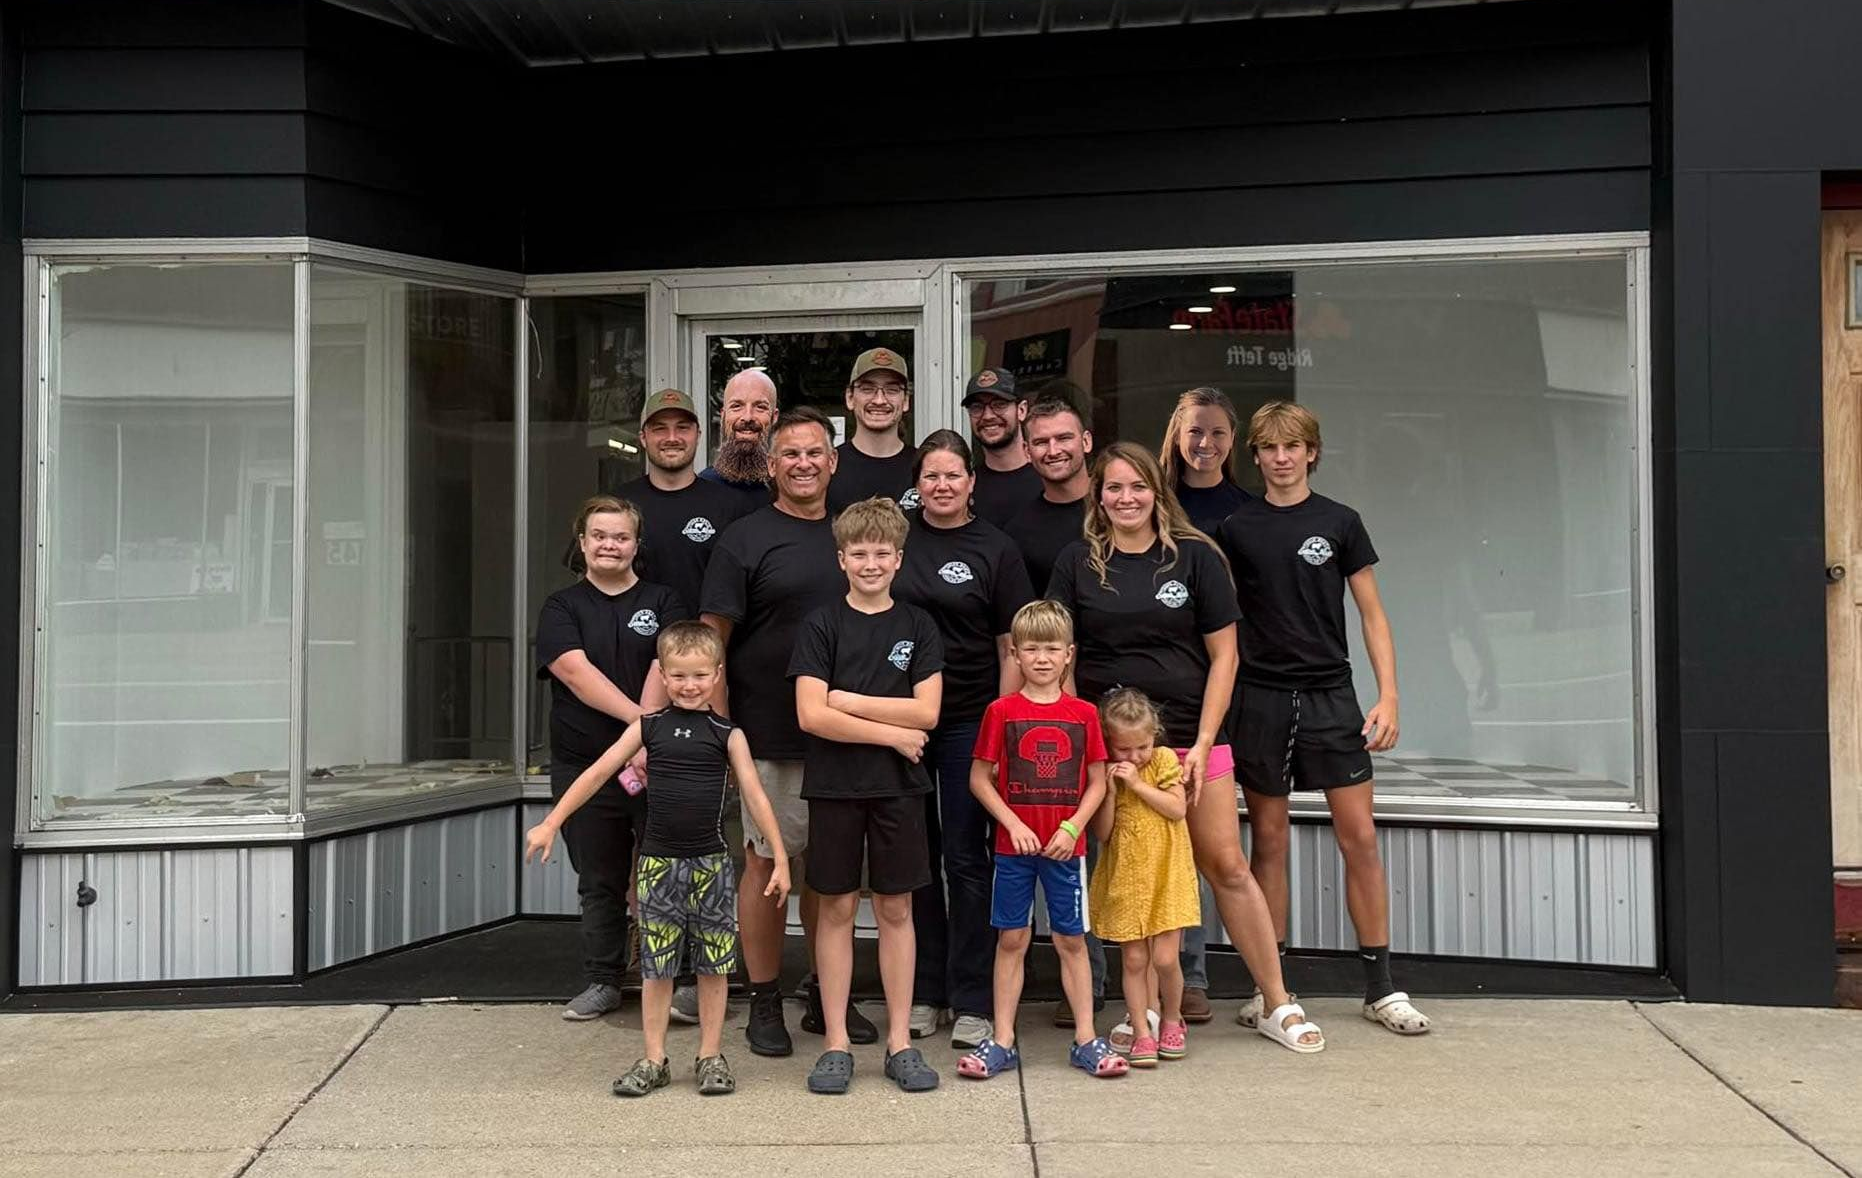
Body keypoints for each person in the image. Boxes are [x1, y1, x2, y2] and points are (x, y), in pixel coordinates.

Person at [1047, 441, 1323, 1053]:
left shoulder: (1196, 558)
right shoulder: (1077, 561)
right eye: (1114, 488)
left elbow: (1225, 656)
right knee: (1122, 872)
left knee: (1225, 864)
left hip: (1192, 744)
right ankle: (1138, 1015)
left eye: (1137, 487)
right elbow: (1063, 659)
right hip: (1112, 751)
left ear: (1157, 492)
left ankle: (1275, 1000)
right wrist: (1089, 748)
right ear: (1099, 495)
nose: (1126, 498)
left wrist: (1200, 744)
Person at [1217, 401, 1431, 1036]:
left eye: (1293, 447)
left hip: (1331, 696)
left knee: (1359, 839)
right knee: (1271, 843)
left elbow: (1372, 614)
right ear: (1253, 457)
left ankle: (1381, 987)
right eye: (1269, 448)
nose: (1281, 458)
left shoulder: (1340, 521)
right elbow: (1222, 624)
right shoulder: (1238, 527)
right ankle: (1270, 987)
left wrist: (1388, 696)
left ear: (1312, 452)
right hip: (1260, 696)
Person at [523, 621, 793, 1098]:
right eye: (679, 676)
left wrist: (781, 858)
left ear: (716, 675)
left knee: (713, 966)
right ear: (664, 677)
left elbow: (755, 795)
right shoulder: (646, 727)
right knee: (658, 966)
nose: (690, 686)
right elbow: (597, 773)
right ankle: (654, 1057)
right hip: (657, 866)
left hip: (710, 864)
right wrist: (550, 822)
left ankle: (710, 1054)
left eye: (699, 676)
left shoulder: (728, 734)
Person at [700, 405, 878, 1056]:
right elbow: (712, 643)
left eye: (815, 453)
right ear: (771, 466)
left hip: (849, 733)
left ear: (833, 461)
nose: (804, 464)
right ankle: (765, 997)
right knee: (768, 866)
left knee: (836, 876)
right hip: (769, 733)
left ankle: (825, 996)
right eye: (790, 455)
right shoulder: (745, 540)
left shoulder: (853, 532)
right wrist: (722, 735)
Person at [790, 497, 946, 1095]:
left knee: (896, 909)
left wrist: (846, 700)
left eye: (882, 552)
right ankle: (834, 1041)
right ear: (841, 559)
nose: (871, 562)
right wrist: (892, 733)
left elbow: (927, 710)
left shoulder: (916, 625)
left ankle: (900, 1041)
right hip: (834, 785)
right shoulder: (822, 624)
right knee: (832, 908)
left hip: (899, 790)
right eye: (859, 553)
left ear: (899, 559)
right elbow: (809, 713)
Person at [891, 430, 1035, 1049]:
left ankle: (972, 995)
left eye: (953, 475)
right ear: (916, 485)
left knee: (966, 858)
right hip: (899, 725)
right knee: (914, 859)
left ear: (973, 482)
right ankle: (926, 991)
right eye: (930, 477)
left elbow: (1012, 644)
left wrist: (999, 727)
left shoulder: (995, 549)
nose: (941, 486)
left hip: (969, 723)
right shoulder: (897, 542)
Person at [956, 599, 1126, 1082]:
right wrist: (1012, 823)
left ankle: (1086, 1037)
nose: (1043, 658)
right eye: (1031, 648)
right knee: (1012, 938)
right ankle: (1003, 1040)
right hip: (1015, 850)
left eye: (1052, 648)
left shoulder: (1084, 713)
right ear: (1014, 653)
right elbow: (979, 778)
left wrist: (1073, 826)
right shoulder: (1001, 711)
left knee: (1073, 939)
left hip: (1066, 851)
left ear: (1069, 653)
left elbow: (1098, 780)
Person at [534, 496, 687, 1021]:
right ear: (582, 543)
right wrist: (640, 729)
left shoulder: (665, 601)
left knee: (665, 872)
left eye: (620, 536)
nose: (609, 545)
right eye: (599, 535)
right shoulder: (562, 607)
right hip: (585, 764)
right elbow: (576, 674)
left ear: (636, 545)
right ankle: (603, 979)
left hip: (659, 764)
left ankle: (674, 977)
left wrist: (646, 744)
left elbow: (670, 667)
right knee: (600, 878)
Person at [1155, 385, 1253, 1023]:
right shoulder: (1153, 501)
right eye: (1194, 431)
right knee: (1138, 840)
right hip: (1149, 700)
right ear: (1176, 433)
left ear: (1232, 440)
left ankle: (1192, 973)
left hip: (1215, 692)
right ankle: (1128, 973)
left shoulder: (1246, 510)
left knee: (1197, 845)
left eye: (1217, 433)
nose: (1205, 444)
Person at [1088, 688, 1200, 1068]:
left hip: (1167, 873)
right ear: (1109, 744)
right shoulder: (1107, 772)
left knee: (1166, 958)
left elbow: (1176, 809)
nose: (1134, 757)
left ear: (1155, 736)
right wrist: (1106, 791)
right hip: (1127, 876)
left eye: (1142, 747)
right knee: (1134, 959)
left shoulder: (1164, 760)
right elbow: (1102, 833)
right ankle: (1141, 1031)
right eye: (1124, 749)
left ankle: (1171, 1017)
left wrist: (1137, 784)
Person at [620, 387, 760, 615]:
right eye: (660, 429)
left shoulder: (732, 507)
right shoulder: (618, 504)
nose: (672, 438)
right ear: (643, 438)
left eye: (682, 428)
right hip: (632, 647)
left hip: (711, 647)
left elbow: (751, 590)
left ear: (698, 435)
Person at [1001, 395, 1093, 594]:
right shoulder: (1019, 534)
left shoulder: (1120, 506)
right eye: (1041, 442)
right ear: (1027, 451)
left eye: (1064, 438)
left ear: (1086, 442)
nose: (1053, 451)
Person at [827, 347, 916, 513]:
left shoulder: (924, 468)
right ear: (850, 397)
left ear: (905, 401)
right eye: (867, 389)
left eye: (892, 390)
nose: (880, 400)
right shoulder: (827, 468)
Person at [963, 368, 1041, 527]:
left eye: (999, 405)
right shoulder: (966, 487)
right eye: (977, 407)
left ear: (1021, 410)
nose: (988, 416)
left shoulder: (1046, 479)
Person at [700, 368, 778, 511]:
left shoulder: (789, 488)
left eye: (760, 407)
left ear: (774, 417)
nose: (747, 417)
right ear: (723, 416)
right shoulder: (702, 488)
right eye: (736, 406)